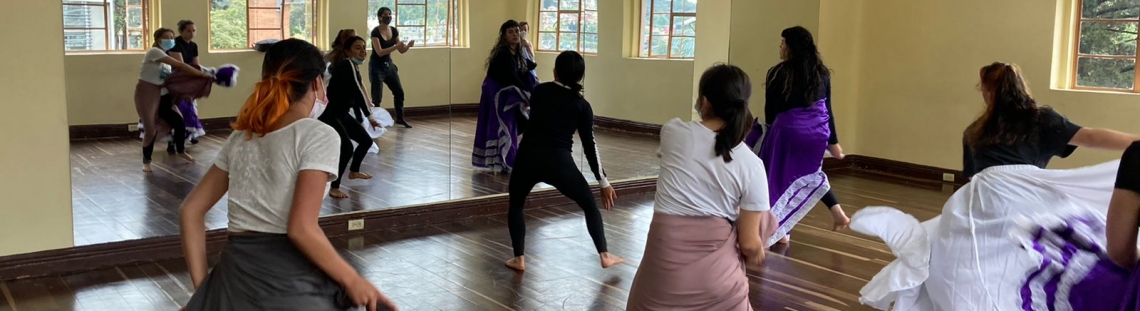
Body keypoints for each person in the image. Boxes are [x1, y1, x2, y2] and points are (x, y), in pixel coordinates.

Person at [849, 62, 1140, 311]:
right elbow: (1089, 137)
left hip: (988, 194)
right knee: (1051, 245)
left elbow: (972, 177)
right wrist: (1136, 142)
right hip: (1031, 191)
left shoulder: (975, 131)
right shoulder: (1042, 119)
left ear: (989, 92)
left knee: (979, 252)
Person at [178, 38, 397, 311]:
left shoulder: (242, 137)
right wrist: (354, 280)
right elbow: (301, 229)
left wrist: (205, 291)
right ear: (318, 82)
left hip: (233, 278)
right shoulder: (317, 134)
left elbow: (190, 211)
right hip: (286, 279)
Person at [626, 64, 776, 311]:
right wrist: (759, 250)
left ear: (704, 102)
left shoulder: (673, 133)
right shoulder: (753, 165)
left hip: (663, 277)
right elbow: (749, 243)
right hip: (717, 282)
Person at [503, 51, 622, 272]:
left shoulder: (540, 91)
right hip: (558, 161)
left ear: (556, 71)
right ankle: (604, 255)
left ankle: (519, 259)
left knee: (516, 205)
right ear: (580, 76)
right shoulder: (582, 106)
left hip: (527, 157)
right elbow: (590, 146)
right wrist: (603, 182)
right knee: (589, 204)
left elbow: (532, 116)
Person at [753, 26, 848, 245]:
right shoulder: (820, 72)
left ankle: (778, 231)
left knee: (776, 180)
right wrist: (833, 142)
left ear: (791, 46)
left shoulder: (778, 72)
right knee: (811, 176)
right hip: (816, 132)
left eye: (782, 42)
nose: (780, 47)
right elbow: (828, 108)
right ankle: (837, 214)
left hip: (788, 131)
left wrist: (769, 134)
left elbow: (772, 110)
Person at [135, 28, 207, 173]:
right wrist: (201, 73)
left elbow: (172, 78)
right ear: (158, 39)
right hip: (147, 94)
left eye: (172, 37)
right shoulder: (154, 52)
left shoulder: (165, 60)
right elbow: (180, 65)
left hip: (163, 95)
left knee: (179, 122)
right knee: (150, 130)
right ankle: (146, 161)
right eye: (166, 37)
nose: (170, 39)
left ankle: (180, 150)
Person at [471, 20, 539, 173]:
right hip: (496, 93)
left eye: (516, 31)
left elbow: (529, 67)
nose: (515, 34)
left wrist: (527, 49)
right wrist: (528, 93)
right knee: (501, 124)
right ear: (504, 36)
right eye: (511, 32)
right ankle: (499, 161)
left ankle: (507, 159)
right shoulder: (503, 53)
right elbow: (511, 76)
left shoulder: (517, 51)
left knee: (512, 124)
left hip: (506, 92)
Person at [322, 36, 380, 199]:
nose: (363, 51)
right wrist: (369, 116)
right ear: (347, 51)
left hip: (341, 114)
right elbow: (357, 91)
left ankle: (354, 171)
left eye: (364, 47)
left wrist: (363, 116)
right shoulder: (347, 64)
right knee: (346, 148)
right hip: (329, 114)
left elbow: (354, 96)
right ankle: (334, 187)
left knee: (366, 141)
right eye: (357, 47)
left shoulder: (352, 66)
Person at [369, 7, 413, 128]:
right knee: (377, 97)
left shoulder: (393, 30)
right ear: (379, 17)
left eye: (389, 14)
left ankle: (400, 118)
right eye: (385, 15)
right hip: (376, 67)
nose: (388, 17)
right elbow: (380, 52)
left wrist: (408, 46)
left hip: (389, 66)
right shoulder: (375, 32)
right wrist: (396, 46)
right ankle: (375, 122)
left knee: (399, 92)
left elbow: (401, 50)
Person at [169, 19, 205, 145]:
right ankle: (173, 139)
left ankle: (192, 133)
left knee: (192, 106)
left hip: (189, 78)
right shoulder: (175, 44)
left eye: (194, 31)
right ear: (181, 31)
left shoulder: (194, 45)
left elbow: (196, 64)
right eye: (188, 31)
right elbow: (180, 65)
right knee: (179, 108)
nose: (192, 33)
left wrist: (201, 73)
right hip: (176, 79)